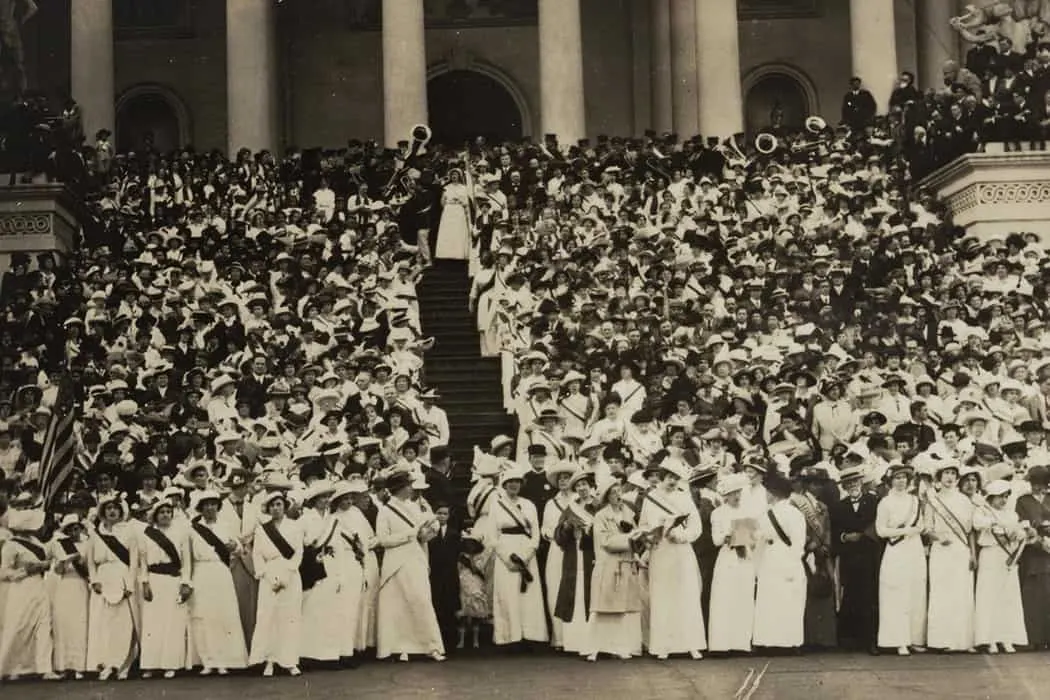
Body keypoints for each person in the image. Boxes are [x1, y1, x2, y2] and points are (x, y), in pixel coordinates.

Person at [638, 456, 706, 660]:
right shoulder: (650, 498)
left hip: (681, 551)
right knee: (662, 596)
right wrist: (651, 536)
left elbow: (696, 528)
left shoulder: (685, 497)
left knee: (687, 594)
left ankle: (691, 644)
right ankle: (663, 645)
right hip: (660, 552)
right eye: (669, 477)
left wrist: (681, 536)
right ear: (660, 477)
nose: (672, 481)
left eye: (676, 477)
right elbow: (642, 525)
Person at [375, 468, 446, 662]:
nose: (411, 488)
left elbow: (422, 536)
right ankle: (400, 647)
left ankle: (430, 646)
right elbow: (383, 540)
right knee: (397, 604)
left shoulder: (415, 507)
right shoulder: (384, 511)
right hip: (395, 562)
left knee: (421, 599)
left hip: (416, 558)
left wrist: (430, 529)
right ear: (400, 487)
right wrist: (410, 534)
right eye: (408, 485)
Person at [187, 489, 248, 676]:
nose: (210, 508)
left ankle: (225, 660)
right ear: (200, 508)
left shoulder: (226, 525)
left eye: (213, 504)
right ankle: (208, 661)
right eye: (206, 505)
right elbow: (187, 556)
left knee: (223, 615)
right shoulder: (192, 529)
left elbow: (239, 549)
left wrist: (234, 547)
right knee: (204, 616)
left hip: (221, 572)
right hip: (201, 572)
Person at [489, 466, 548, 647]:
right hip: (506, 553)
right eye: (510, 482)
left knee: (528, 594)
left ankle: (530, 636)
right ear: (504, 485)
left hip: (526, 550)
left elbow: (536, 533)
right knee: (508, 594)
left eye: (517, 482)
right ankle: (509, 637)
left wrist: (529, 553)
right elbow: (492, 536)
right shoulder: (496, 505)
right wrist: (507, 558)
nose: (514, 485)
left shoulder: (529, 505)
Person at [249, 490, 304, 677]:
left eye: (279, 504)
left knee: (289, 617)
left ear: (285, 506)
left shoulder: (295, 527)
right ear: (268, 508)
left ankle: (290, 661)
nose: (276, 508)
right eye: (272, 505)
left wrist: (286, 576)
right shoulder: (261, 529)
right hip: (269, 575)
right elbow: (257, 554)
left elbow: (298, 552)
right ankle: (269, 660)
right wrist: (268, 576)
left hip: (290, 573)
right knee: (269, 618)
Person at [587, 478, 642, 660]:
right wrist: (630, 538)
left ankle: (621, 646)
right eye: (613, 492)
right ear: (606, 497)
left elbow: (635, 535)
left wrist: (641, 538)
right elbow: (606, 542)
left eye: (619, 491)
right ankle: (595, 647)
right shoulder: (601, 516)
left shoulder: (628, 512)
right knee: (604, 608)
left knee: (623, 609)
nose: (618, 495)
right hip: (609, 564)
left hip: (625, 563)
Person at [924, 462, 976, 653]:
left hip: (961, 551)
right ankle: (942, 641)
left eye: (953, 473)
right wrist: (938, 538)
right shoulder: (933, 500)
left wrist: (972, 553)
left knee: (962, 594)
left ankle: (964, 641)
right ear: (939, 476)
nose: (950, 477)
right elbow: (927, 529)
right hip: (941, 550)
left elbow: (970, 531)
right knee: (942, 593)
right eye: (946, 473)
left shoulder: (964, 500)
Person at [752, 469, 806, 652]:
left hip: (777, 556)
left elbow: (798, 542)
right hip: (778, 556)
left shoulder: (789, 513)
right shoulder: (775, 513)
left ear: (774, 494)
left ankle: (774, 642)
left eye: (767, 492)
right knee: (781, 599)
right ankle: (785, 642)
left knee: (775, 599)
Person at [875, 463, 927, 655]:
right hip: (896, 550)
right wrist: (904, 530)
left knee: (916, 592)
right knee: (896, 594)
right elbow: (881, 531)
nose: (901, 481)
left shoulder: (915, 501)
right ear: (890, 481)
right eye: (897, 477)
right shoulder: (885, 503)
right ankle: (898, 640)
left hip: (914, 549)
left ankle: (914, 638)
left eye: (904, 477)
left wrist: (916, 530)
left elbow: (921, 525)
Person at [138, 500, 192, 679]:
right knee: (153, 623)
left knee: (173, 623)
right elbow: (143, 562)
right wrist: (145, 582)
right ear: (155, 515)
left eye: (169, 512)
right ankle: (150, 665)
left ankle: (171, 664)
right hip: (154, 580)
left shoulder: (180, 533)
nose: (166, 515)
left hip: (173, 580)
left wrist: (185, 583)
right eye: (162, 512)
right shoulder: (146, 535)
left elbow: (186, 561)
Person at [829, 465, 880, 654]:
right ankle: (851, 640)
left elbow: (879, 524)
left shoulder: (874, 501)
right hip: (849, 557)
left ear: (861, 482)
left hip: (869, 555)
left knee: (870, 597)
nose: (852, 485)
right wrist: (844, 537)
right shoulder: (838, 506)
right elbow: (833, 532)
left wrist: (864, 536)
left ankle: (871, 641)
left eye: (855, 481)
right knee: (850, 595)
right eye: (848, 483)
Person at [0, 507, 55, 681]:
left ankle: (44, 667)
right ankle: (11, 667)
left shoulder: (37, 543)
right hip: (21, 588)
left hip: (39, 585)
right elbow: (3, 572)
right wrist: (25, 571)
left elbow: (45, 560)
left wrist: (44, 566)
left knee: (44, 623)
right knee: (19, 625)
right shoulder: (10, 545)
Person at [973, 480, 1028, 654]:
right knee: (989, 596)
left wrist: (1016, 533)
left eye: (1005, 497)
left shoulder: (1011, 514)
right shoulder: (982, 511)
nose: (1003, 500)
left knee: (1008, 597)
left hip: (1008, 557)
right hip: (990, 555)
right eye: (999, 497)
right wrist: (994, 524)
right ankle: (990, 639)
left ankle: (1007, 638)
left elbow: (1019, 532)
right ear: (991, 497)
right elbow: (978, 524)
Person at [86, 495, 138, 681]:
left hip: (122, 577)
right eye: (108, 508)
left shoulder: (129, 533)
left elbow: (134, 562)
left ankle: (120, 664)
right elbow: (90, 561)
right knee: (102, 623)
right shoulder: (95, 534)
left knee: (122, 624)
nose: (112, 511)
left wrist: (130, 584)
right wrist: (94, 580)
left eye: (115, 508)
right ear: (102, 512)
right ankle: (104, 663)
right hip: (103, 578)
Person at [708, 473, 757, 654]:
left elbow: (754, 538)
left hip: (744, 557)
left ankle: (741, 643)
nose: (736, 496)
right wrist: (728, 533)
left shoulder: (747, 512)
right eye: (733, 493)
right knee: (724, 599)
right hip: (728, 557)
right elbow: (716, 540)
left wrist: (751, 535)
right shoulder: (718, 513)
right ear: (725, 496)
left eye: (739, 492)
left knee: (743, 598)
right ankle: (721, 644)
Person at [553, 470, 598, 658]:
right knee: (575, 594)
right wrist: (566, 528)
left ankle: (593, 643)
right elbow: (558, 536)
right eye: (578, 486)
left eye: (585, 484)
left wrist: (588, 532)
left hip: (591, 556)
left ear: (591, 486)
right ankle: (574, 642)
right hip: (573, 557)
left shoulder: (598, 506)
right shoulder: (570, 508)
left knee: (591, 594)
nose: (582, 488)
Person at [299, 480, 344, 667]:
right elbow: (304, 543)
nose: (326, 501)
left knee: (330, 611)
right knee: (312, 609)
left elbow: (338, 544)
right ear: (314, 500)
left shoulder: (332, 519)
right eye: (322, 497)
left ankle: (329, 655)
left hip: (331, 566)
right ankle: (309, 654)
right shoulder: (305, 519)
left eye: (327, 497)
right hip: (314, 568)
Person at [329, 479, 366, 665]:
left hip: (356, 562)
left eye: (351, 498)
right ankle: (342, 651)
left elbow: (365, 538)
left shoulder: (357, 514)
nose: (349, 502)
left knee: (355, 607)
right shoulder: (333, 518)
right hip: (341, 562)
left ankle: (353, 647)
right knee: (343, 608)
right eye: (345, 499)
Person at [50, 514, 90, 679]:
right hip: (65, 585)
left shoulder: (87, 545)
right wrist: (66, 561)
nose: (74, 531)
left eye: (77, 528)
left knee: (80, 625)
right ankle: (64, 666)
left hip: (81, 585)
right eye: (71, 529)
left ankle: (80, 666)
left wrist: (80, 561)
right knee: (64, 625)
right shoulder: (60, 545)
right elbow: (58, 571)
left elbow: (89, 570)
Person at [541, 460, 576, 649]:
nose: (563, 481)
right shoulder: (550, 503)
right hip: (557, 549)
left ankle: (575, 638)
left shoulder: (579, 499)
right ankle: (559, 638)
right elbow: (545, 528)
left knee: (574, 590)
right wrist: (552, 534)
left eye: (567, 477)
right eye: (560, 478)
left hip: (575, 549)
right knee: (555, 588)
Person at [1015, 465, 1050, 649]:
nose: (1038, 487)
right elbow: (1021, 523)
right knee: (1033, 595)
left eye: (1042, 483)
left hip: (1049, 552)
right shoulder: (1023, 501)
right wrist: (1037, 540)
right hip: (1032, 553)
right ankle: (1034, 638)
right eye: (1034, 483)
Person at [428, 503, 461, 653]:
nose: (441, 516)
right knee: (437, 605)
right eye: (439, 513)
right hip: (435, 572)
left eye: (445, 514)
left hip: (450, 573)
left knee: (450, 606)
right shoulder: (430, 533)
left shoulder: (454, 533)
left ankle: (451, 642)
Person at [435, 168, 473, 260]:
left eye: (456, 175)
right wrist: (448, 204)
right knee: (448, 231)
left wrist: (459, 201)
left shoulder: (463, 188)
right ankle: (445, 253)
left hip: (459, 211)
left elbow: (466, 202)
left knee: (458, 231)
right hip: (448, 211)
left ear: (459, 176)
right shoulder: (446, 188)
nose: (454, 176)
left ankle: (458, 254)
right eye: (452, 175)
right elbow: (442, 202)